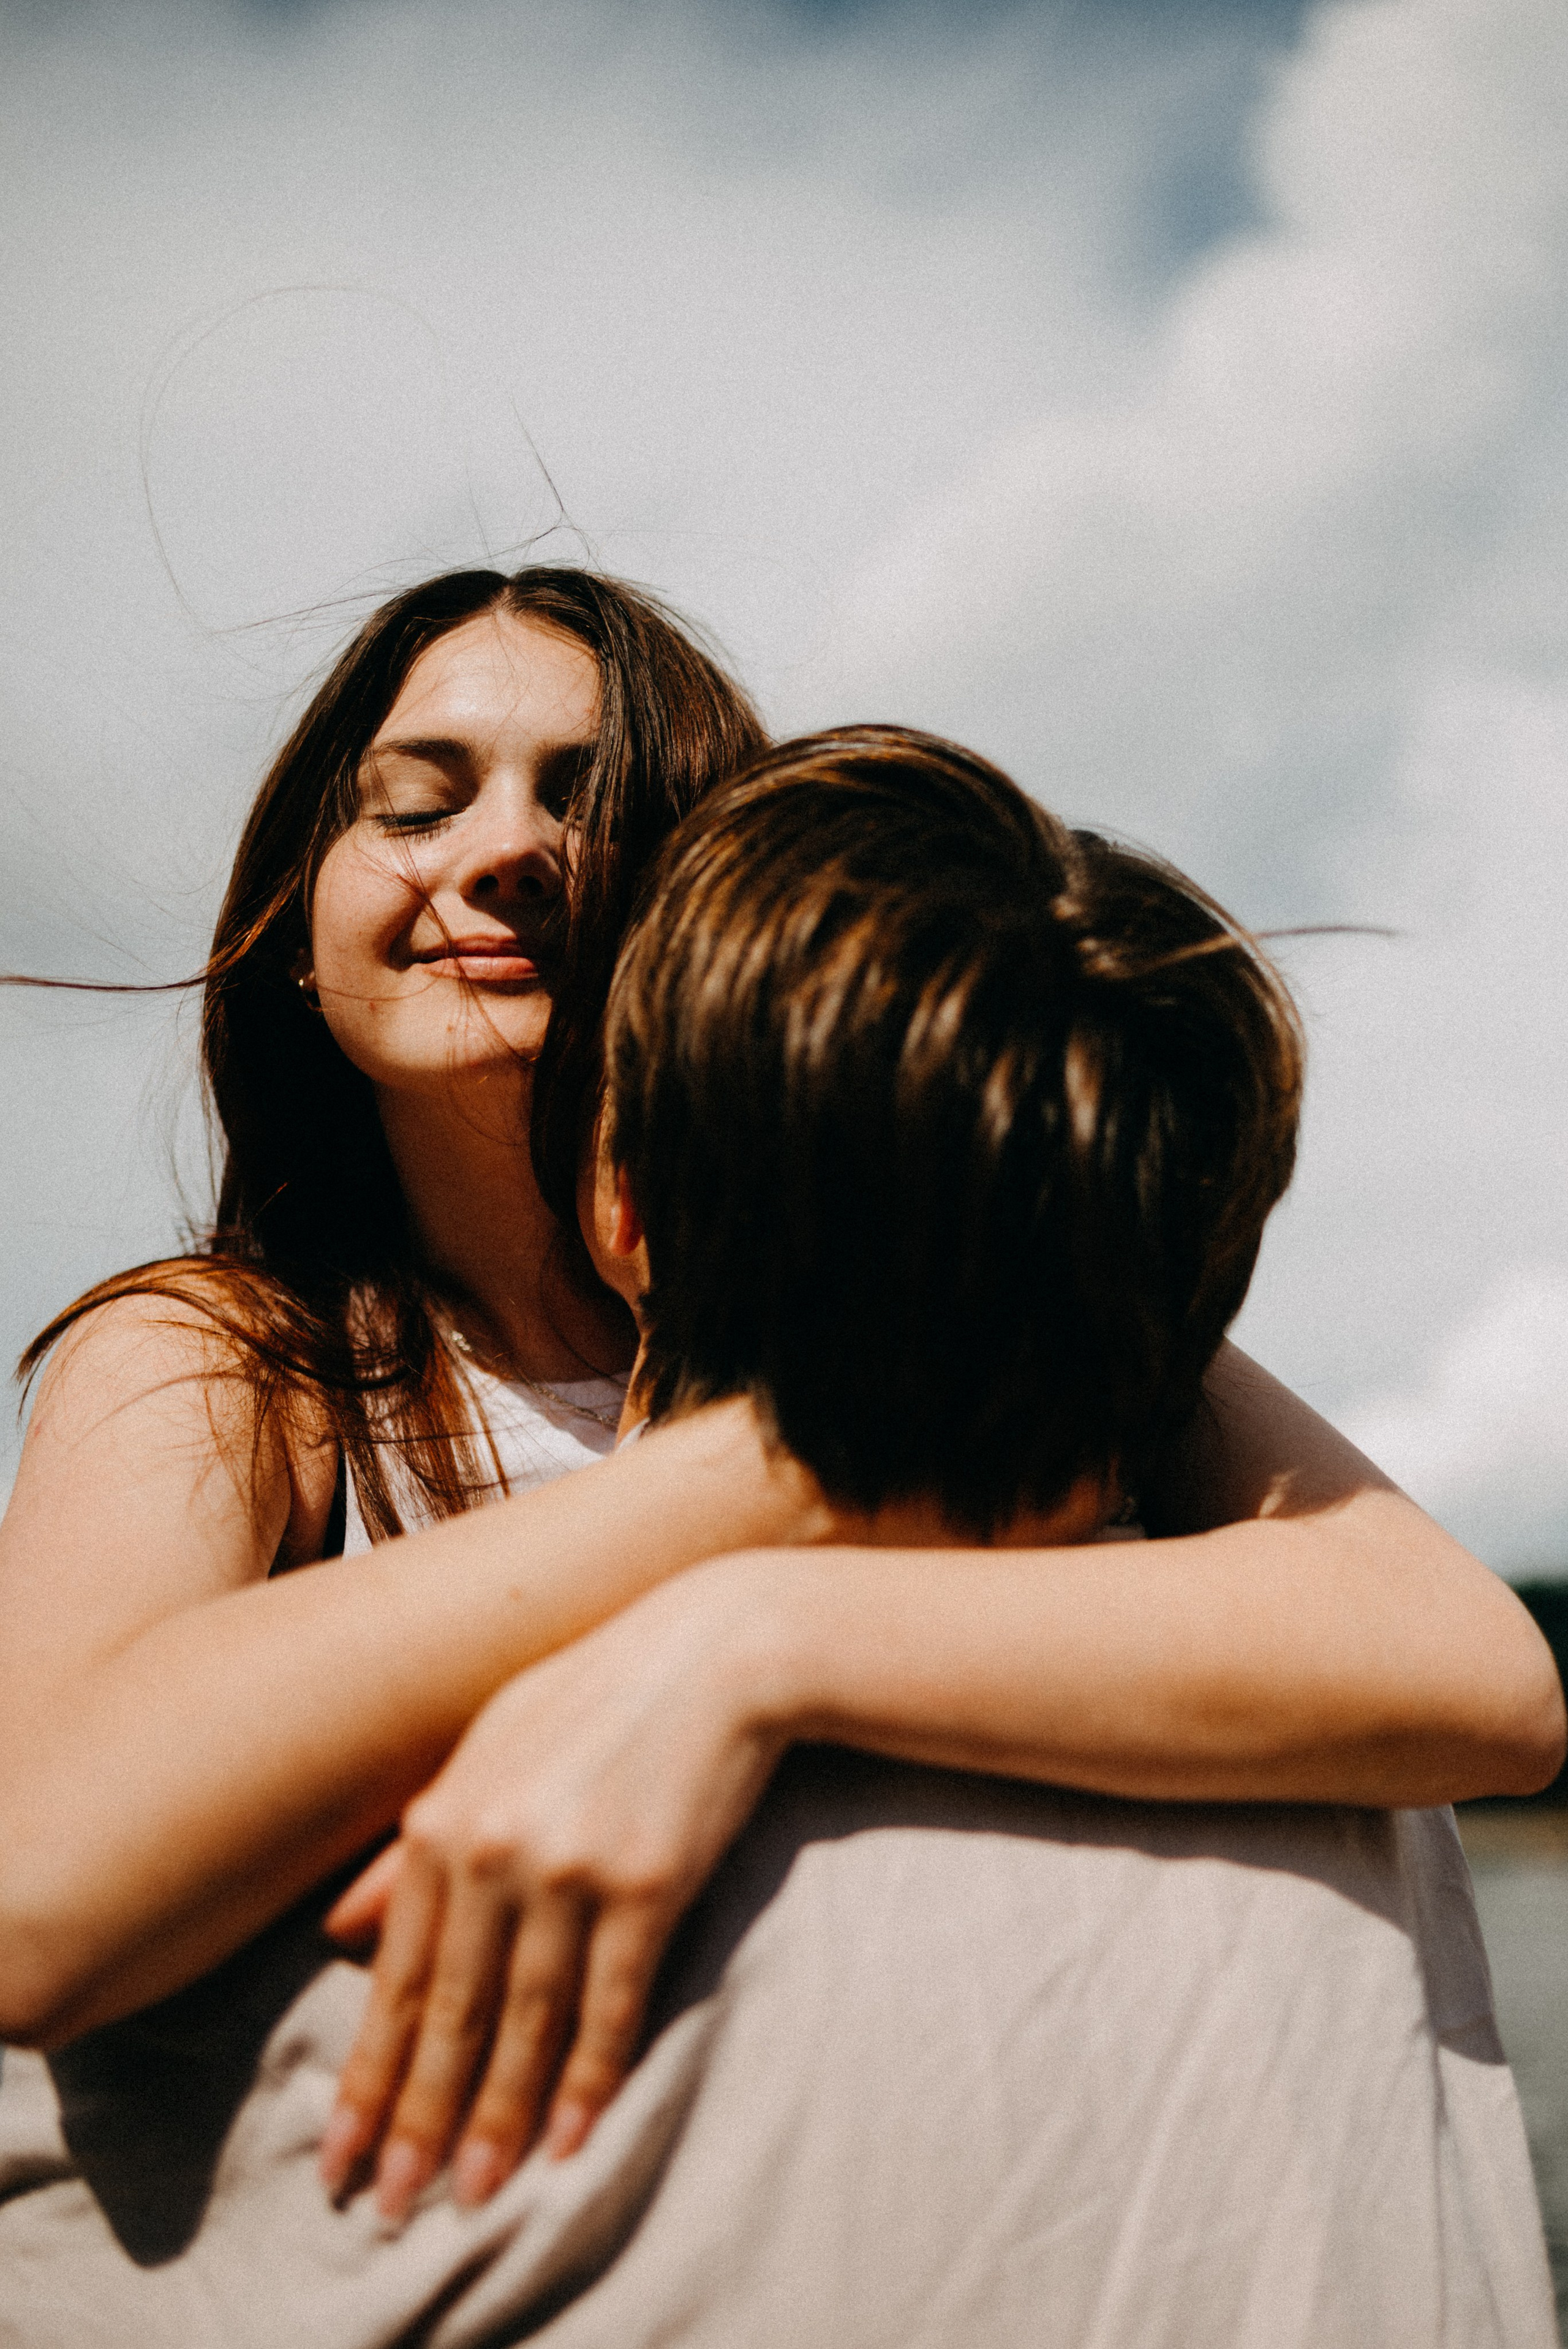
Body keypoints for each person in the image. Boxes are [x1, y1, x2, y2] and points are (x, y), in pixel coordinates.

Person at [0, 578, 1557, 2318]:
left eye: (585, 802)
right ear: (301, 916)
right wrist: (784, 1469)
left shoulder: (988, 1241)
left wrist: (749, 1644)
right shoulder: (232, 1353)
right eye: (418, 801)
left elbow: (1481, 1672)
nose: (503, 850)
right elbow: (35, 1882)